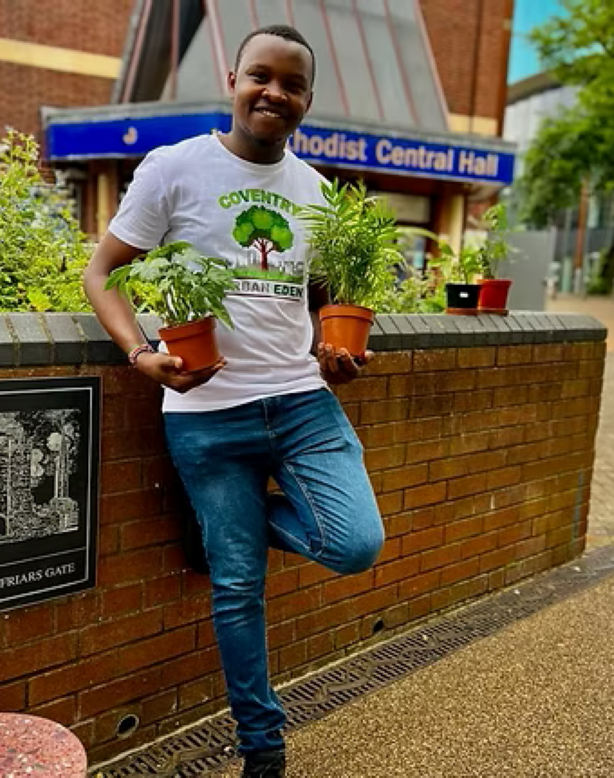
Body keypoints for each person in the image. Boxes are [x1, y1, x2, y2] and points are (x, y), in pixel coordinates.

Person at [84, 25, 385, 778]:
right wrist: (141, 353)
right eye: (262, 76)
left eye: (292, 84)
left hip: (299, 401)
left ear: (307, 99)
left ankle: (228, 530)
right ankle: (263, 748)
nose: (274, 93)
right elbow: (103, 273)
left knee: (355, 545)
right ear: (233, 78)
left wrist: (333, 346)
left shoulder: (315, 192)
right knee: (239, 588)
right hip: (206, 415)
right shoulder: (175, 168)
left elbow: (320, 298)